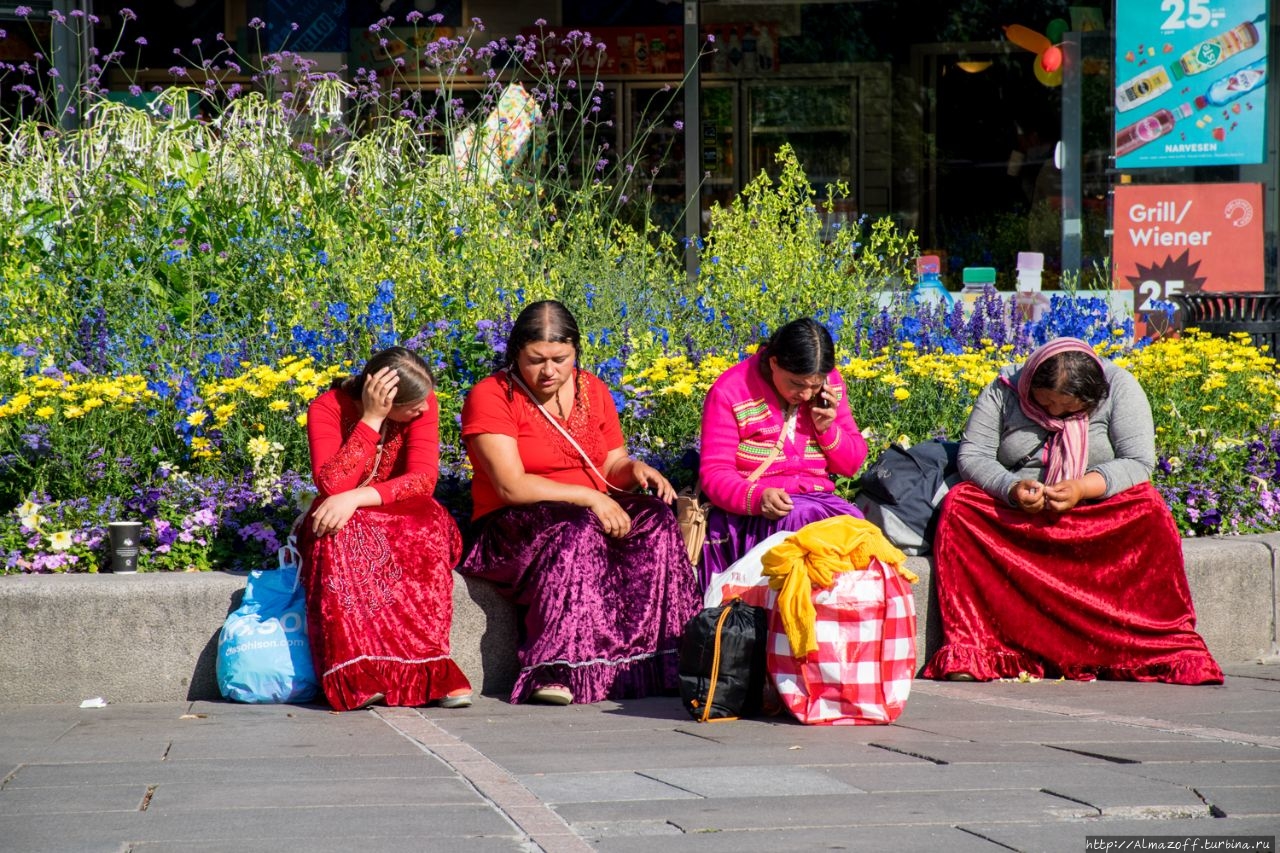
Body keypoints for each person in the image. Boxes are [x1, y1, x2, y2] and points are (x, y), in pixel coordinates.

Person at [922, 337, 1222, 685]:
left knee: (1150, 509)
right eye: (1044, 403)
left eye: (1066, 409)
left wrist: (1081, 487)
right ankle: (981, 649)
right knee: (961, 505)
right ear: (1030, 381)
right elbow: (973, 456)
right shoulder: (1003, 390)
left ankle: (1134, 649)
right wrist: (1012, 489)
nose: (1053, 414)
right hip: (1020, 512)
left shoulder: (1120, 387)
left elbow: (1139, 462)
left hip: (1093, 511)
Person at [458, 300, 700, 706]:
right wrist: (589, 498)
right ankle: (556, 668)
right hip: (512, 524)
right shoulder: (491, 396)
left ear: (576, 353)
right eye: (536, 360)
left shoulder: (592, 389)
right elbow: (510, 486)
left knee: (656, 518)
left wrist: (636, 469)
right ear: (515, 353)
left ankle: (656, 661)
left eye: (560, 359)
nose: (549, 370)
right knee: (577, 529)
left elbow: (610, 462)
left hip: (588, 510)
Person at [299, 346, 474, 711]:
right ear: (386, 400)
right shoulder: (326, 408)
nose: (425, 410)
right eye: (414, 406)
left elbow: (422, 480)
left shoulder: (424, 404)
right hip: (343, 515)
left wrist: (356, 499)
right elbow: (332, 485)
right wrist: (371, 421)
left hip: (399, 511)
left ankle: (428, 667)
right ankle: (359, 670)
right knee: (339, 533)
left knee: (423, 529)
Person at [697, 318, 869, 590]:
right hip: (754, 516)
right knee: (802, 521)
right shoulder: (731, 390)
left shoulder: (830, 384)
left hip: (817, 504)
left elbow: (852, 465)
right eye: (797, 383)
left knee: (861, 532)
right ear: (774, 362)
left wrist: (827, 428)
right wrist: (757, 497)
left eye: (815, 385)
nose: (806, 393)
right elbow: (714, 473)